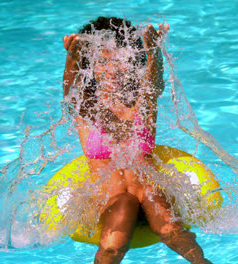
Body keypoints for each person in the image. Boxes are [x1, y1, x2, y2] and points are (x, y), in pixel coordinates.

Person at [62, 16, 212, 264]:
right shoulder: (87, 108)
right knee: (123, 204)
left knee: (161, 210)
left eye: (119, 60)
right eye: (102, 61)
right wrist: (72, 59)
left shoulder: (142, 102)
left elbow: (154, 83)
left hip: (148, 192)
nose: (112, 70)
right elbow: (71, 91)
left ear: (132, 61)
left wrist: (153, 52)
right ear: (91, 65)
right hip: (108, 200)